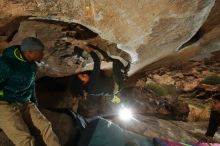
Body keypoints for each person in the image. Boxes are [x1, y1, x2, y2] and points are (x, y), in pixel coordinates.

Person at [0, 37, 61, 146]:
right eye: (40, 51)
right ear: (29, 52)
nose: (43, 54)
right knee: (24, 138)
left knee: (45, 126)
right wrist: (7, 94)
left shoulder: (32, 65)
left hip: (24, 101)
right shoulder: (6, 63)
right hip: (3, 104)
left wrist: (34, 102)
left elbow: (31, 85)